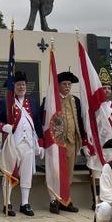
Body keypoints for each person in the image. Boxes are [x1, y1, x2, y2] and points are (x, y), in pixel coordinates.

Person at [0, 70, 44, 216]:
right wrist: (4, 127)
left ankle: (25, 203)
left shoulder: (33, 103)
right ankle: (7, 203)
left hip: (28, 144)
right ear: (13, 87)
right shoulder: (6, 102)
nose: (21, 87)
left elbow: (37, 124)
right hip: (12, 145)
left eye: (23, 84)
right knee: (9, 173)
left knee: (27, 174)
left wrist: (40, 144)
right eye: (18, 85)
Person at [42, 71, 86, 214]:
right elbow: (43, 121)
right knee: (55, 173)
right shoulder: (49, 100)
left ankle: (66, 200)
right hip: (56, 144)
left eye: (69, 84)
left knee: (68, 173)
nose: (67, 87)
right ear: (58, 85)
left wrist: (83, 139)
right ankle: (53, 200)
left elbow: (80, 120)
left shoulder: (75, 101)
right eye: (64, 84)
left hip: (71, 142)